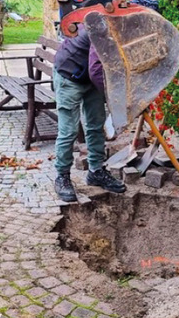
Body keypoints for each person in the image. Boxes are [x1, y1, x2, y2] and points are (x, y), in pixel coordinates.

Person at [53, 26, 125, 202]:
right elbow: (95, 69)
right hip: (69, 75)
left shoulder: (122, 27)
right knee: (69, 131)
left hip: (90, 76)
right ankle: (62, 176)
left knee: (96, 125)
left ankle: (96, 171)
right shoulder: (102, 28)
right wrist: (113, 99)